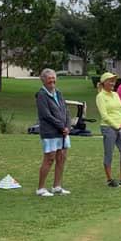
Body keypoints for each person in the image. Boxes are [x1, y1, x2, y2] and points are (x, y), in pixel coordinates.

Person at [35, 68, 71, 197]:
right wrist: (61, 126)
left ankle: (57, 186)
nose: (52, 80)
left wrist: (68, 126)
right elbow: (46, 115)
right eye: (49, 78)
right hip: (50, 132)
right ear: (43, 80)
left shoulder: (59, 93)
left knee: (61, 158)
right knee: (49, 159)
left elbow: (66, 111)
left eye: (53, 78)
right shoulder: (41, 95)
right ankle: (41, 188)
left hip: (62, 132)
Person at [95, 71, 121, 187]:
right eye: (110, 80)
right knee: (109, 153)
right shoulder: (100, 96)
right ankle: (109, 179)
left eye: (114, 81)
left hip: (120, 127)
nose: (113, 83)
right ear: (104, 82)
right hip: (108, 128)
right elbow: (104, 116)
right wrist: (117, 126)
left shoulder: (115, 94)